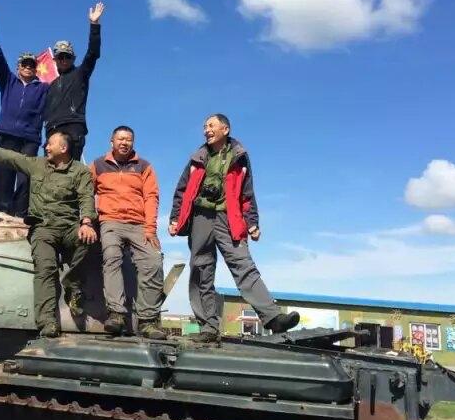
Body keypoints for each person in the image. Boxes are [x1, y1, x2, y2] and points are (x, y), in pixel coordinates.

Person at [168, 114, 299, 343]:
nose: (206, 130)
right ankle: (208, 326)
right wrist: (174, 218)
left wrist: (253, 222)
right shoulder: (197, 157)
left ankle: (272, 317)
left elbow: (247, 194)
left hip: (229, 217)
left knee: (243, 264)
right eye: (204, 127)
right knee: (201, 269)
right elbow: (182, 189)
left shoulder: (239, 157)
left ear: (225, 129)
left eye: (211, 125)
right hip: (201, 217)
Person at [0, 132, 97, 337]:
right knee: (45, 269)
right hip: (43, 228)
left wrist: (87, 222)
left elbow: (86, 197)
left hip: (69, 226)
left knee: (88, 239)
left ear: (63, 148)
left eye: (50, 144)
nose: (46, 147)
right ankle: (47, 322)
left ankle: (72, 284)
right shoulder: (37, 165)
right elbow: (13, 158)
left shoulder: (80, 171)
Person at [90, 126, 166, 340]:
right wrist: (87, 220)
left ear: (133, 142)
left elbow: (151, 197)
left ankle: (148, 320)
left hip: (138, 223)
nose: (124, 143)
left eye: (128, 140)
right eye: (120, 139)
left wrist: (150, 228)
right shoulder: (97, 165)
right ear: (112, 141)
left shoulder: (144, 166)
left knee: (153, 261)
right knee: (111, 256)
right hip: (110, 221)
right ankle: (116, 314)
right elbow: (86, 192)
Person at [0, 13, 49, 217]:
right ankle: (0, 212)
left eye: (31, 65)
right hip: (6, 135)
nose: (28, 67)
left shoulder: (44, 89)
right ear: (18, 67)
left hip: (29, 139)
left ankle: (20, 215)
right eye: (24, 64)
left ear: (36, 69)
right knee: (3, 174)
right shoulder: (8, 81)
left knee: (26, 178)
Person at [43, 2, 104, 160]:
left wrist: (94, 24)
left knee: (71, 170)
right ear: (55, 60)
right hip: (51, 130)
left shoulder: (80, 74)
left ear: (73, 58)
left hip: (73, 128)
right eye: (60, 57)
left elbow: (92, 53)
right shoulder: (51, 85)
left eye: (67, 56)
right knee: (50, 171)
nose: (64, 60)